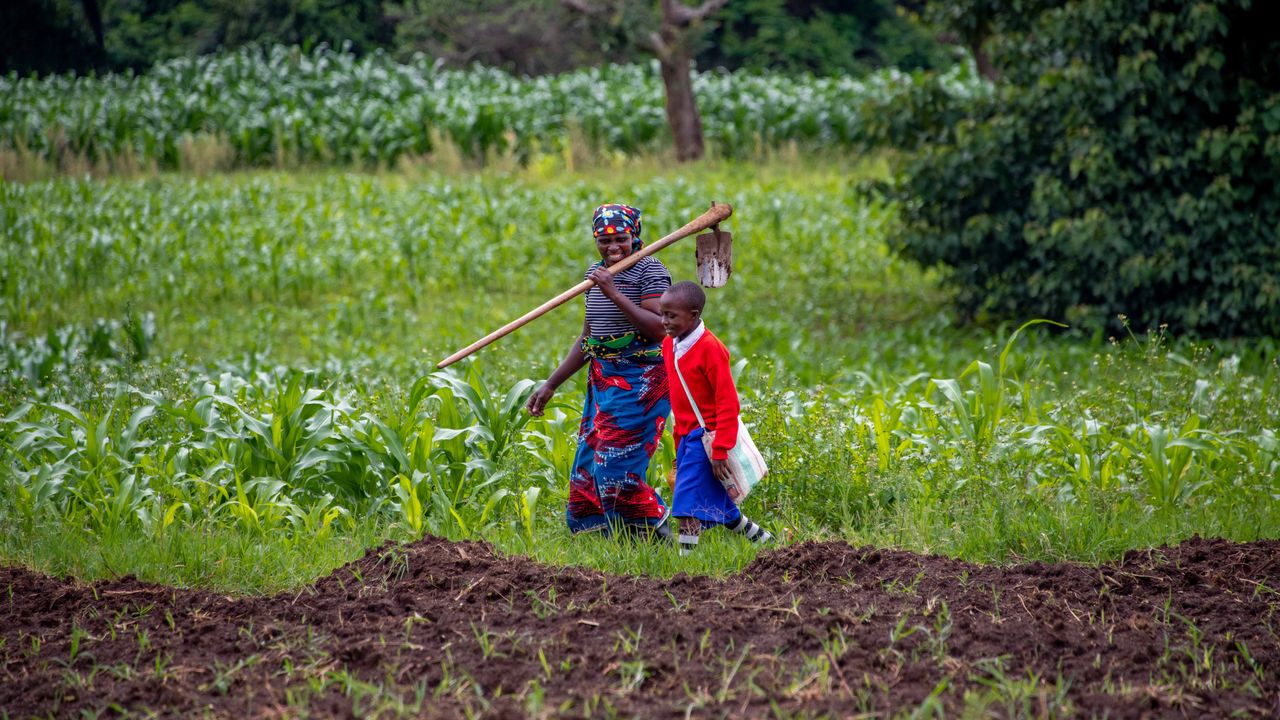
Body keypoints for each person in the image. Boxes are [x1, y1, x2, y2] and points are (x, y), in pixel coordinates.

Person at [526, 203, 674, 539]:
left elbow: (659, 330)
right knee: (590, 463)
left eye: (620, 238)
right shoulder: (596, 273)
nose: (612, 248)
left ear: (634, 236)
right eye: (603, 241)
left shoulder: (649, 270)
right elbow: (588, 338)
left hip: (641, 381)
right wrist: (551, 384)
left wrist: (612, 290)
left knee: (616, 463)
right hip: (604, 381)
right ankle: (606, 538)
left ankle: (656, 533)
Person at [660, 281, 773, 555]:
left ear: (694, 315)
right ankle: (763, 539)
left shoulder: (710, 348)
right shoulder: (669, 345)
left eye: (671, 316)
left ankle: (684, 565)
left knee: (685, 503)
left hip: (707, 437)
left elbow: (727, 402)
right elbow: (679, 400)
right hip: (688, 437)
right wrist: (678, 444)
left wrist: (721, 448)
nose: (664, 321)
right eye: (663, 314)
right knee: (717, 503)